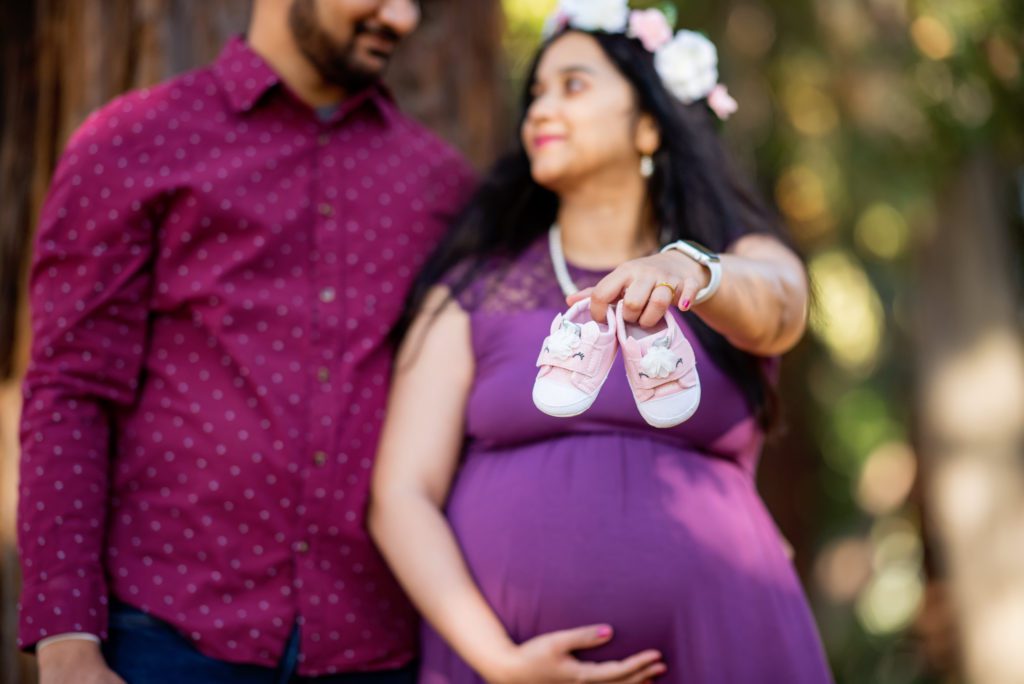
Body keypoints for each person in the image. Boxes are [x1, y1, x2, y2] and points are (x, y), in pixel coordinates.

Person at [368, 3, 834, 683]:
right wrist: (500, 663)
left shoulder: (737, 263)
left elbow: (782, 307)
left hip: (725, 642)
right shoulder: (473, 289)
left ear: (649, 123)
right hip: (507, 668)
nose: (540, 110)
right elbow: (401, 494)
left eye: (574, 86)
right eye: (535, 94)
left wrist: (689, 270)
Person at [18, 1, 476, 682]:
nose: (402, 18)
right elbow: (71, 389)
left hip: (374, 648)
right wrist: (67, 641)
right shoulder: (133, 141)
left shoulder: (439, 184)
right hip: (163, 637)